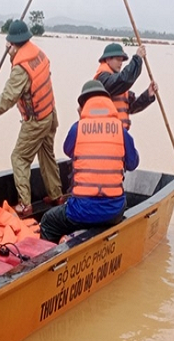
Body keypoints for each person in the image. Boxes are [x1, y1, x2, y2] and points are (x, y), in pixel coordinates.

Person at [0, 19, 63, 217]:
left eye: (9, 45)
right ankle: (56, 195)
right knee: (47, 154)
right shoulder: (38, 53)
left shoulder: (21, 69)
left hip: (37, 119)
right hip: (50, 113)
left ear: (13, 44)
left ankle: (25, 204)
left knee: (19, 157)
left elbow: (7, 99)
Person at [39, 80, 139, 243]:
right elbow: (133, 164)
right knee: (120, 202)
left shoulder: (77, 128)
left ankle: (51, 260)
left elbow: (69, 151)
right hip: (113, 212)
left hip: (81, 211)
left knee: (49, 221)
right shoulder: (121, 130)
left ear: (83, 105)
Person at [93, 42, 159, 130]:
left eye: (121, 60)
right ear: (107, 59)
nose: (120, 63)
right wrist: (137, 59)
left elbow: (131, 107)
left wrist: (148, 94)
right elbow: (124, 79)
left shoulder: (118, 83)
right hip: (107, 132)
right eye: (118, 59)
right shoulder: (102, 79)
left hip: (121, 133)